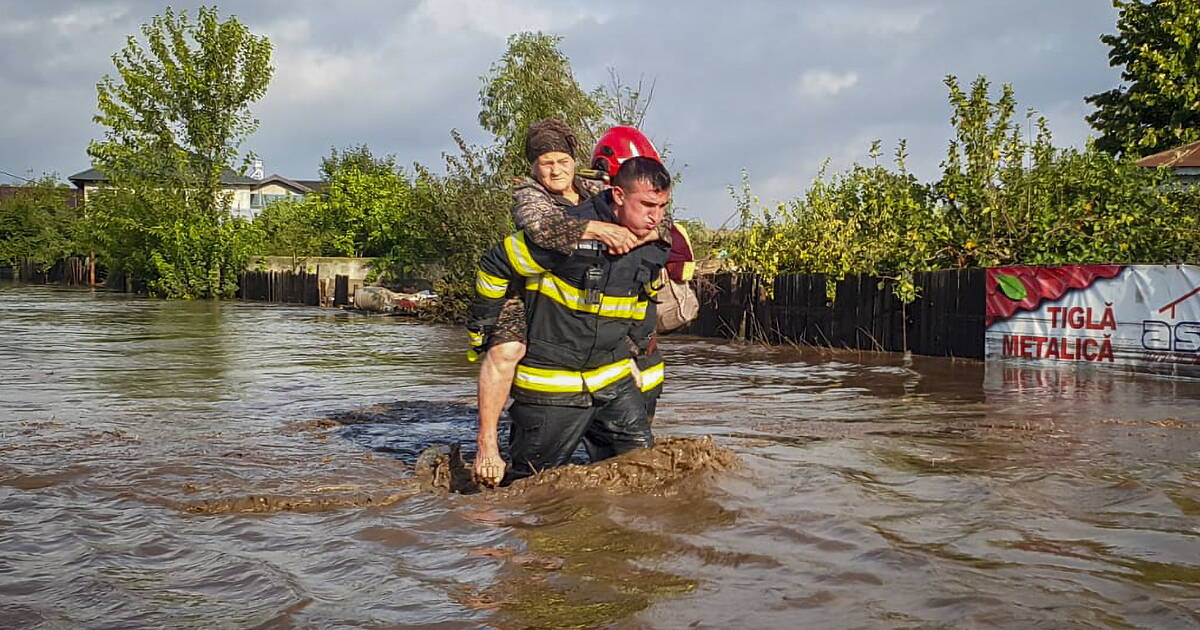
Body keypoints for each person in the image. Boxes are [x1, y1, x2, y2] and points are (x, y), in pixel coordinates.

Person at [473, 121, 670, 481]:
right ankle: (487, 445)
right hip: (524, 294)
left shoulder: (599, 189)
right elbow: (533, 237)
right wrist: (483, 327)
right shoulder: (530, 196)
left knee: (642, 472)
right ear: (534, 166)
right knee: (506, 352)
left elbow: (655, 218)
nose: (556, 170)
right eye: (546, 163)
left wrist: (638, 237)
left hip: (605, 368)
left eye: (562, 161)